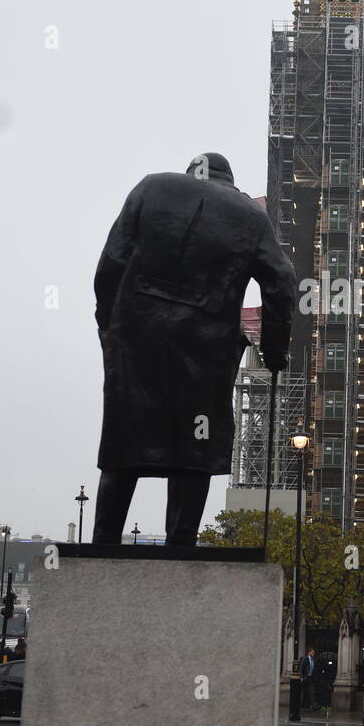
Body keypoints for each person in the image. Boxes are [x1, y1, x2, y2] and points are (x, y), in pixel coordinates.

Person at [91, 153, 296, 546]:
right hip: (206, 344)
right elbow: (282, 281)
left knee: (125, 437)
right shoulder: (250, 216)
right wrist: (273, 350)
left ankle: (103, 544)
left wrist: (109, 325)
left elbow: (110, 264)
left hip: (136, 333)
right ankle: (181, 545)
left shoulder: (151, 187)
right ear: (230, 181)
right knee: (197, 443)